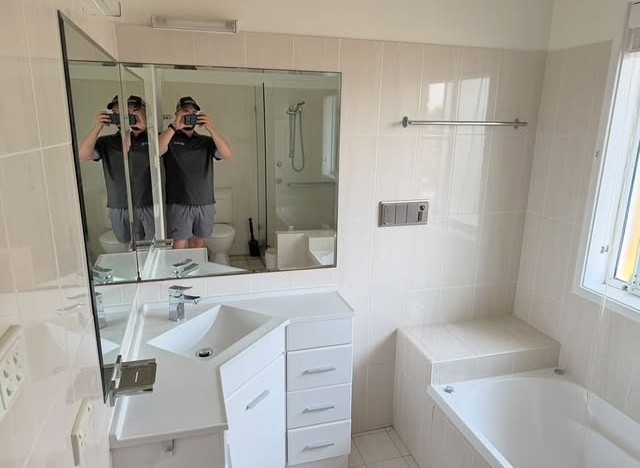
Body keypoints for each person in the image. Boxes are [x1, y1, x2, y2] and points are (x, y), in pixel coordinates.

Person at [78, 95, 155, 247]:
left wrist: (146, 127)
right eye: (119, 112)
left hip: (149, 203)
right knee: (129, 246)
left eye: (132, 111)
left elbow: (162, 152)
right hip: (118, 204)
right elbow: (83, 155)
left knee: (154, 245)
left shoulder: (154, 139)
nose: (126, 116)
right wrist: (97, 127)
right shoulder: (107, 142)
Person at [158, 96, 233, 250]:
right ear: (177, 113)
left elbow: (227, 154)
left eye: (193, 113)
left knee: (198, 244)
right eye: (185, 112)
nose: (189, 116)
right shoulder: (169, 137)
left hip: (205, 202)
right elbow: (156, 151)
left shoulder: (205, 141)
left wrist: (210, 128)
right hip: (179, 202)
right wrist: (174, 126)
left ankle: (197, 267)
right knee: (179, 245)